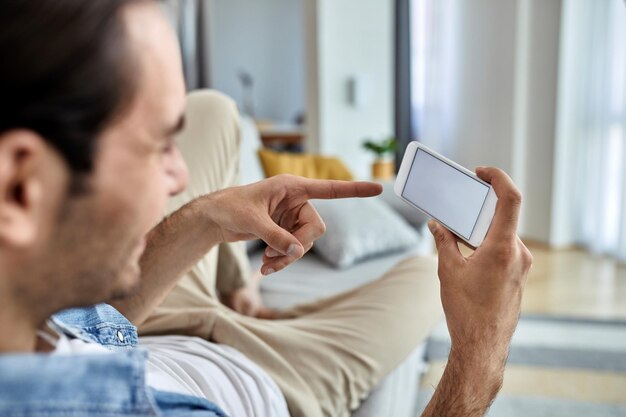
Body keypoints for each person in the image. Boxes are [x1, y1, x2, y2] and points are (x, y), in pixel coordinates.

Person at [0, 1, 533, 417]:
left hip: (138, 324)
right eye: (158, 147)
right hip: (275, 375)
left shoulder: (29, 312)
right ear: (22, 187)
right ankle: (244, 308)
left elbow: (104, 327)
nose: (178, 175)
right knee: (424, 276)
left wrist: (208, 217)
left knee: (213, 111)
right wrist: (479, 360)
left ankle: (239, 296)